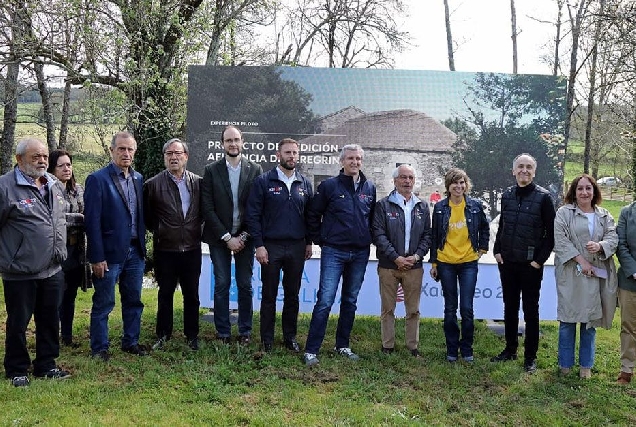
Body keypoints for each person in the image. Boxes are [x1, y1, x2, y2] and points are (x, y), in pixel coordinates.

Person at [0, 138, 70, 387]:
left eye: (44, 157)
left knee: (50, 319)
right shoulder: (5, 187)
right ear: (19, 160)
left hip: (52, 268)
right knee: (19, 322)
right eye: (35, 157)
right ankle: (17, 369)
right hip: (21, 271)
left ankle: (46, 365)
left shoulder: (52, 183)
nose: (42, 161)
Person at [303, 144, 376, 366]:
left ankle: (342, 345)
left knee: (350, 301)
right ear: (342, 161)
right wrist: (321, 240)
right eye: (351, 158)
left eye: (358, 159)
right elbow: (313, 214)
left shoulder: (369, 187)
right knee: (325, 300)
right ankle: (311, 351)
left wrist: (368, 238)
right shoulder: (329, 186)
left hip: (360, 253)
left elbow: (372, 219)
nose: (355, 162)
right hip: (334, 251)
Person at [245, 138, 313, 352]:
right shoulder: (264, 181)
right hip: (271, 247)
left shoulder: (305, 183)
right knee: (269, 295)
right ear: (278, 155)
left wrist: (309, 243)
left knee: (292, 295)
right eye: (287, 153)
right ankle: (267, 340)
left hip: (296, 246)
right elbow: (252, 216)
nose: (291, 156)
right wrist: (259, 245)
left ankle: (290, 337)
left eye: (294, 153)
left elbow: (310, 217)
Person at [84, 131, 147, 361]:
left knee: (134, 300)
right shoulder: (97, 179)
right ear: (111, 151)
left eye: (130, 149)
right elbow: (92, 222)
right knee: (104, 302)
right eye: (121, 149)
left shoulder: (138, 179)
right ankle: (99, 348)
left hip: (135, 252)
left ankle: (131, 342)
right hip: (109, 254)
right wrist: (96, 257)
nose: (126, 153)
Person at [491, 153, 556, 373]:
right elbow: (503, 226)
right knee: (509, 308)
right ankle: (510, 350)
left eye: (529, 167)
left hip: (531, 265)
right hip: (507, 262)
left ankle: (530, 357)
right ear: (513, 170)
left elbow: (551, 234)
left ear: (534, 171)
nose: (524, 170)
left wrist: (539, 261)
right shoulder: (507, 195)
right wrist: (497, 250)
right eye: (520, 166)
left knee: (530, 311)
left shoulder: (544, 197)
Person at [201, 125, 263, 344]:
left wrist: (243, 237)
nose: (233, 144)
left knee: (245, 284)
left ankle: (245, 331)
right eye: (228, 140)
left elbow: (257, 207)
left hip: (246, 237)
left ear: (243, 142)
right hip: (219, 238)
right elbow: (207, 208)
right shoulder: (211, 170)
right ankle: (223, 332)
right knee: (222, 283)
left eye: (236, 139)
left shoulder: (255, 169)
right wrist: (227, 238)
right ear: (222, 144)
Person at [553, 174, 617, 379]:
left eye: (588, 188)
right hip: (572, 273)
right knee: (568, 319)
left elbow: (613, 237)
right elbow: (561, 241)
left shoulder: (604, 215)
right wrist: (582, 262)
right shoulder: (564, 213)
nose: (584, 192)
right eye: (580, 189)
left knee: (590, 321)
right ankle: (565, 365)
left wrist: (600, 246)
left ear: (594, 191)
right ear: (573, 191)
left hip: (595, 275)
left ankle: (586, 367)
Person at [144, 138, 203, 351]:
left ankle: (192, 335)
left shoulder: (198, 183)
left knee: (192, 294)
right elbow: (148, 218)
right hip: (165, 250)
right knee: (165, 293)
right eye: (169, 154)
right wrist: (163, 231)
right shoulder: (152, 185)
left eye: (177, 153)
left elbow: (203, 213)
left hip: (192, 248)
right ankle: (163, 334)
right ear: (164, 158)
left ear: (186, 157)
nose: (173, 157)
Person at [430, 168, 489, 363]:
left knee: (466, 308)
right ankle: (452, 349)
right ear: (448, 186)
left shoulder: (475, 206)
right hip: (445, 262)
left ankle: (467, 348)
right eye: (455, 183)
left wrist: (481, 249)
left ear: (466, 185)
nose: (459, 186)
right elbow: (434, 236)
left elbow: (484, 228)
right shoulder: (439, 208)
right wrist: (434, 262)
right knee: (450, 308)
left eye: (462, 182)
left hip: (468, 263)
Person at [372, 164, 431, 357]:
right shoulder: (383, 205)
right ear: (395, 181)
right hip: (389, 265)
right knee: (388, 308)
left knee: (413, 310)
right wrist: (395, 257)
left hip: (414, 266)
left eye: (411, 178)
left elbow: (427, 235)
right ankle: (387, 346)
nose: (407, 181)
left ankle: (412, 347)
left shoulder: (422, 206)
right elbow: (378, 234)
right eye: (403, 177)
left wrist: (415, 256)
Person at [47, 149, 91, 348]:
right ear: (52, 168)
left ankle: (67, 336)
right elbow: (53, 219)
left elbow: (86, 215)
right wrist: (77, 219)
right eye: (61, 165)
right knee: (55, 296)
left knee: (70, 295)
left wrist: (76, 219)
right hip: (55, 250)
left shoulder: (78, 189)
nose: (66, 169)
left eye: (69, 165)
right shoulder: (47, 190)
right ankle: (51, 338)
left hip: (76, 250)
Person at [615, 198, 636, 384]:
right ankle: (626, 370)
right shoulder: (626, 213)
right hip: (630, 281)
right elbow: (621, 245)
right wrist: (634, 271)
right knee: (629, 326)